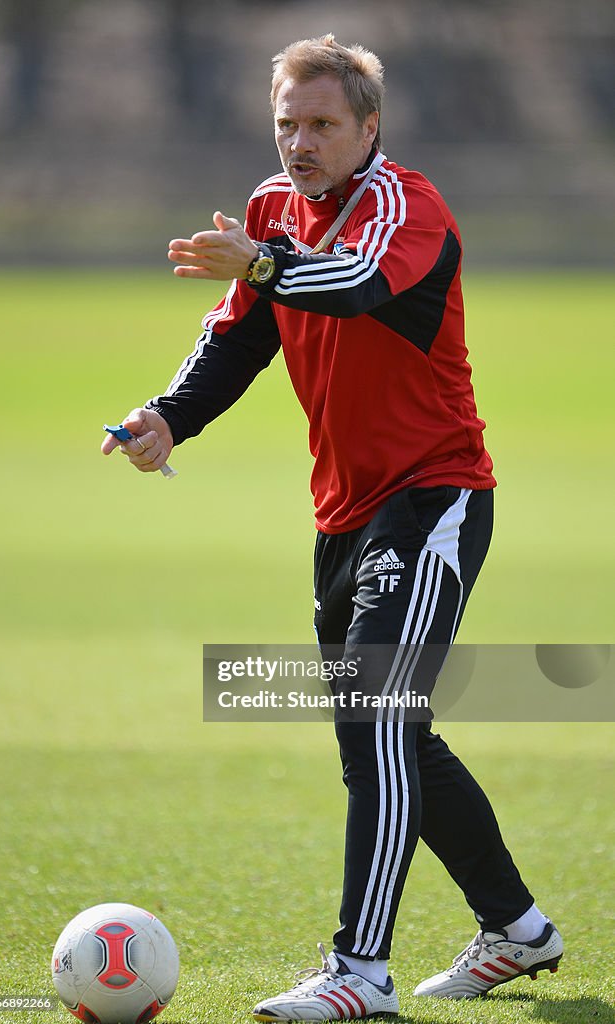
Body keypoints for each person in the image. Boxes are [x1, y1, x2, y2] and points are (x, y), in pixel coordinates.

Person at [102, 33, 563, 1019]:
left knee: (377, 716)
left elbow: (354, 284)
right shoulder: (272, 211)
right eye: (286, 125)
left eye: (321, 124)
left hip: (435, 496)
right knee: (383, 739)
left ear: (368, 127)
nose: (300, 143)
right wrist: (166, 415)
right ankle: (518, 930)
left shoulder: (407, 207)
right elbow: (238, 336)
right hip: (344, 513)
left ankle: (361, 972)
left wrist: (264, 262)